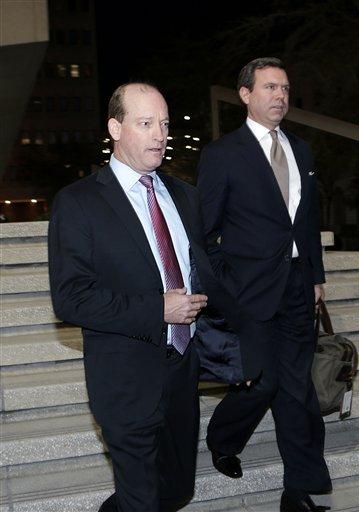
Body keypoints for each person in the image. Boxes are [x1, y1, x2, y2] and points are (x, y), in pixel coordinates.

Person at [48, 82, 239, 512]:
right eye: (146, 123)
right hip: (125, 377)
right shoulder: (78, 203)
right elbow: (71, 298)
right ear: (115, 128)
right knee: (140, 498)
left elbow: (208, 272)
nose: (160, 135)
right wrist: (159, 308)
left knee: (174, 491)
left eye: (165, 124)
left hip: (181, 371)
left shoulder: (185, 197)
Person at [197, 57, 332, 512]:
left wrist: (315, 276)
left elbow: (307, 220)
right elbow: (205, 233)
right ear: (245, 94)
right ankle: (222, 439)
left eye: (286, 89)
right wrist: (227, 285)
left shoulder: (302, 150)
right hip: (249, 291)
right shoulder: (222, 154)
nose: (280, 96)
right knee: (261, 381)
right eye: (270, 87)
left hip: (297, 286)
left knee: (297, 388)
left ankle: (302, 488)